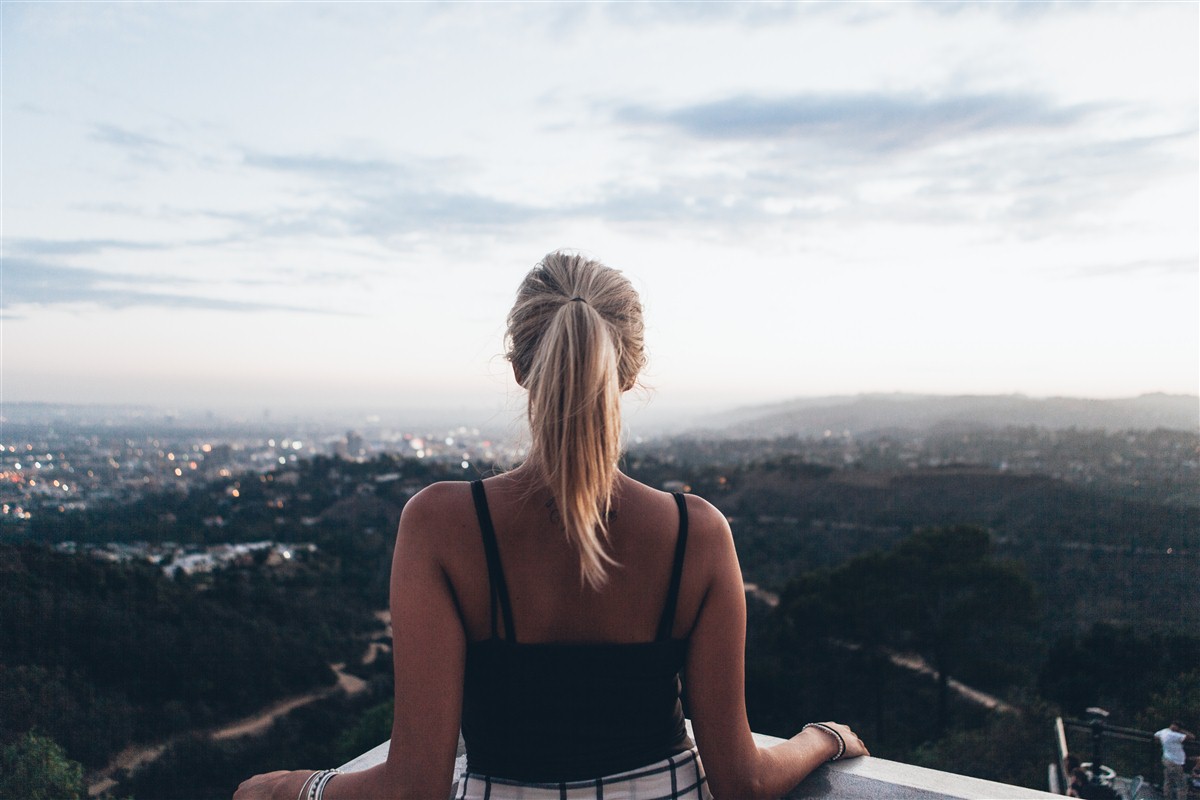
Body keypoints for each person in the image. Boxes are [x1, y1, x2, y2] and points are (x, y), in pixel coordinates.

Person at [234, 252, 868, 800]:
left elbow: (413, 786)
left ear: (518, 368)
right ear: (629, 375)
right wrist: (824, 739)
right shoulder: (697, 535)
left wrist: (293, 786)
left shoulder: (442, 526)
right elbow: (743, 783)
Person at [1156, 721, 1195, 800]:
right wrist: (1181, 731)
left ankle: (1167, 797)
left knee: (1168, 781)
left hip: (1166, 759)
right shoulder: (1174, 735)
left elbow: (1156, 735)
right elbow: (1192, 737)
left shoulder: (1164, 732)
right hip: (1175, 762)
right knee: (1181, 784)